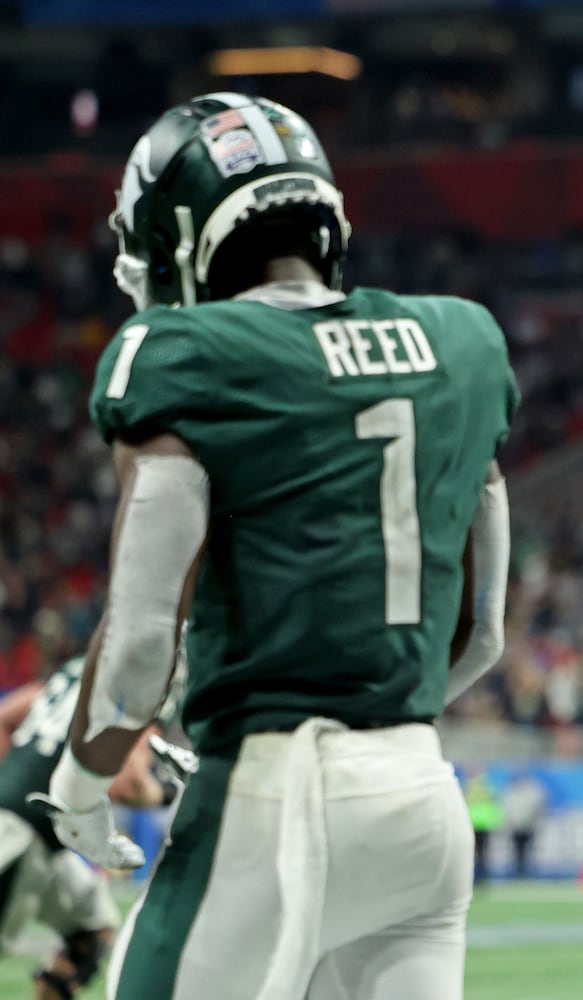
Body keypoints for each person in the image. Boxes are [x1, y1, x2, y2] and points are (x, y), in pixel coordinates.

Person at [32, 92, 520, 1000]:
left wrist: (82, 785)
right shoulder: (464, 339)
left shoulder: (181, 353)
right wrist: (376, 718)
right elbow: (482, 634)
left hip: (278, 794)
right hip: (419, 796)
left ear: (180, 237)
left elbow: (141, 641)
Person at [0, 656, 182, 1000]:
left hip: (38, 838)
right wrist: (170, 793)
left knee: (91, 931)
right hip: (23, 837)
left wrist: (13, 782)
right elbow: (128, 785)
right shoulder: (151, 673)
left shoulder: (77, 667)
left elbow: (6, 718)